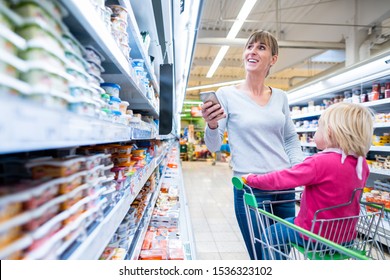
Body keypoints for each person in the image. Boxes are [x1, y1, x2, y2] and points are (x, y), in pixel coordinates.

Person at [201, 30, 304, 259]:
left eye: (261, 47)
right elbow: (214, 146)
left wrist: (299, 172)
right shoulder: (226, 95)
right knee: (262, 257)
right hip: (251, 188)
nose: (252, 51)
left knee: (281, 256)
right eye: (249, 46)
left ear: (273, 59)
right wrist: (212, 125)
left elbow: (290, 139)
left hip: (285, 187)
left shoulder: (280, 97)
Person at [242, 102, 374, 259]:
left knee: (273, 233)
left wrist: (252, 179)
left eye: (318, 127)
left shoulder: (320, 162)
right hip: (346, 239)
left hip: (315, 235)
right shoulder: (361, 164)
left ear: (329, 132)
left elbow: (282, 178)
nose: (315, 132)